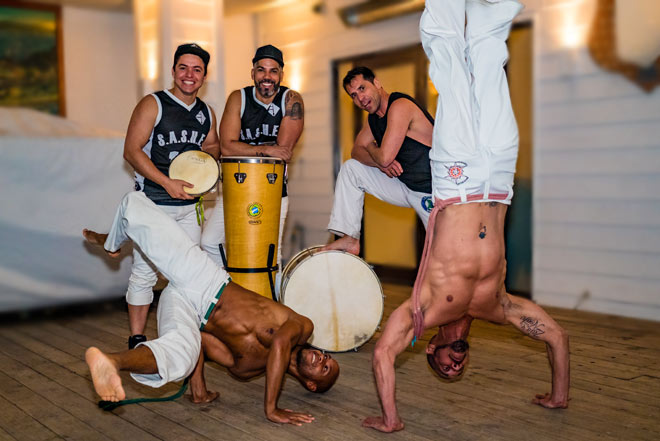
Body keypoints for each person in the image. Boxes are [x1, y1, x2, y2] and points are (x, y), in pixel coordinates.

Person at [362, 0, 570, 433]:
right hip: (497, 179)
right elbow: (556, 337)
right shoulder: (498, 307)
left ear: (432, 350)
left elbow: (383, 353)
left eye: (444, 368)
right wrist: (558, 395)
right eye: (458, 370)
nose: (454, 367)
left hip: (456, 182)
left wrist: (391, 419)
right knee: (490, 65)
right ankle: (495, 9)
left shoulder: (425, 310)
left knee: (452, 72)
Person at [82, 191, 339, 426]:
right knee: (135, 206)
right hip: (205, 280)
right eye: (328, 357)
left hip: (188, 309)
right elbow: (281, 345)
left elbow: (201, 343)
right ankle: (112, 240)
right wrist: (272, 408)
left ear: (311, 384)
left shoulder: (246, 369)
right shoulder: (303, 327)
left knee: (181, 357)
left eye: (325, 368)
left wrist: (199, 390)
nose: (324, 358)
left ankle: (111, 362)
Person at [122, 43, 220, 349]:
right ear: (174, 70)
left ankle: (183, 337)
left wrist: (205, 160)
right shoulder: (153, 103)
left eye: (197, 69)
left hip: (191, 207)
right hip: (153, 203)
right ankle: (137, 339)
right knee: (144, 271)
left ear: (204, 75)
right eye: (183, 67)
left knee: (187, 275)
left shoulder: (206, 112)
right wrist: (166, 182)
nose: (189, 75)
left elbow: (213, 145)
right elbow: (131, 151)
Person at [200, 44, 304, 294]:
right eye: (261, 70)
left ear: (281, 73)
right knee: (210, 242)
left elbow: (284, 151)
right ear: (253, 72)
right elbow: (226, 146)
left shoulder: (291, 100)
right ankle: (231, 294)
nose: (267, 76)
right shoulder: (239, 97)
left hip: (272, 189)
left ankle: (274, 309)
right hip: (236, 189)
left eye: (273, 70)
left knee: (271, 255)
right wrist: (266, 150)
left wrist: (246, 148)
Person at [322, 66, 434, 256]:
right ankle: (349, 237)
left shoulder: (400, 106)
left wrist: (374, 151)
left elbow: (384, 157)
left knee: (446, 257)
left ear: (376, 83)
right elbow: (356, 150)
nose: (360, 98)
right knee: (351, 169)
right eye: (354, 95)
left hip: (433, 192)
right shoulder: (373, 119)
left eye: (362, 88)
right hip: (405, 185)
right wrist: (379, 161)